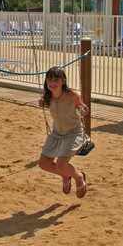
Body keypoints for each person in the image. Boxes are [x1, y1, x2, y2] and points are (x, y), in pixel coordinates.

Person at [37, 67, 90, 198]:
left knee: (61, 164)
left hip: (73, 133)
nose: (52, 83)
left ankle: (78, 177)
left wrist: (83, 109)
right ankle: (65, 175)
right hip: (56, 134)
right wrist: (43, 103)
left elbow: (82, 108)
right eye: (49, 79)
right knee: (43, 164)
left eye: (56, 80)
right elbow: (49, 105)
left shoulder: (71, 95)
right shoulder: (48, 96)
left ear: (63, 81)